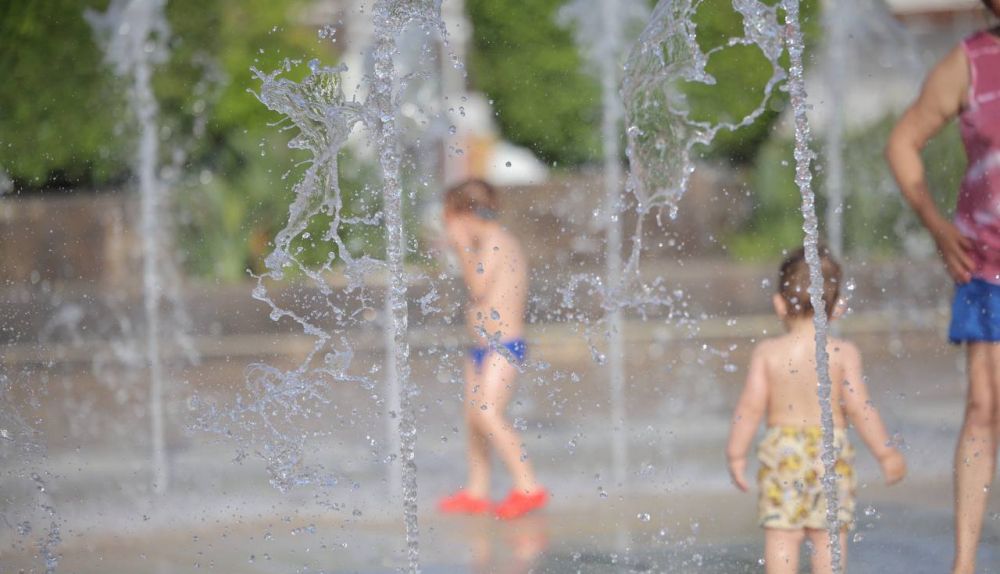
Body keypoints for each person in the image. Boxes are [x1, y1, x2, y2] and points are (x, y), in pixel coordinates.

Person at [885, 3, 1000, 571]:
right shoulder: (970, 63)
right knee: (983, 406)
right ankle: (964, 564)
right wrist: (935, 223)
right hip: (987, 265)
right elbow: (902, 141)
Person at [726, 247, 907, 574]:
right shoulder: (842, 352)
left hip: (782, 453)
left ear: (778, 303)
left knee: (782, 536)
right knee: (828, 540)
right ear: (838, 308)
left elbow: (750, 408)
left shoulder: (768, 353)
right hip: (829, 455)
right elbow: (860, 408)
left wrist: (736, 454)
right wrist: (886, 453)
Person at [437, 179, 548, 520]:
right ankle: (478, 489)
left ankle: (528, 486)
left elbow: (479, 285)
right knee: (473, 417)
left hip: (504, 346)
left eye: (450, 220)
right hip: (483, 346)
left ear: (464, 214)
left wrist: (461, 247)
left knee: (488, 413)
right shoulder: (488, 241)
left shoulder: (497, 242)